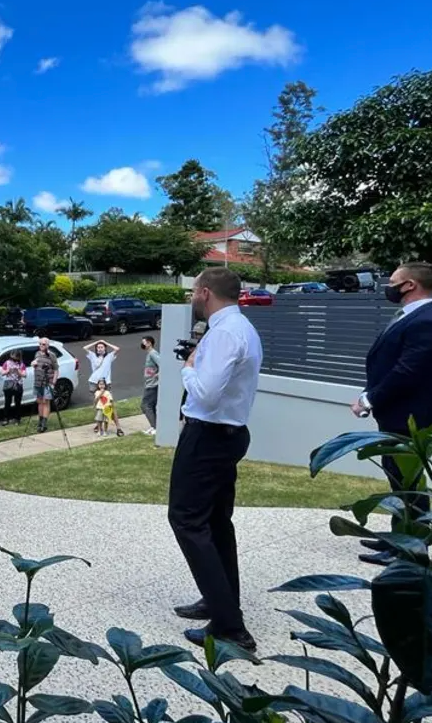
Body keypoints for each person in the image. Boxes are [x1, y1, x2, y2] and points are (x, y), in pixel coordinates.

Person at [168, 267, 262, 652]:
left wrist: (188, 370)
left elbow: (205, 395)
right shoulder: (243, 328)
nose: (192, 297)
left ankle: (228, 626)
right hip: (228, 436)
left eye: (193, 291)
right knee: (216, 523)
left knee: (187, 520)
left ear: (204, 293)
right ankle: (220, 600)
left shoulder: (223, 333)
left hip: (207, 438)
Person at [351, 262, 432, 566]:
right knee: (399, 479)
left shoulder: (430, 322)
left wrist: (368, 399)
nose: (389, 285)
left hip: (411, 416)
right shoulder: (415, 316)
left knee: (410, 482)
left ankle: (411, 548)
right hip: (398, 413)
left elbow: (407, 372)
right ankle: (401, 534)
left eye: (393, 281)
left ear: (409, 285)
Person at [31, 338, 58, 433]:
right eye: (40, 344)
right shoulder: (37, 354)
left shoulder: (52, 355)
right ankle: (40, 420)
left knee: (46, 402)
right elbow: (35, 365)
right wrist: (33, 365)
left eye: (44, 344)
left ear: (47, 345)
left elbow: (56, 370)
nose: (42, 345)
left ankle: (44, 424)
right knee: (39, 401)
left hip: (48, 382)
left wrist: (53, 383)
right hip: (38, 382)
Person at [0, 349, 26, 426]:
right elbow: (2, 372)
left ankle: (17, 419)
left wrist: (19, 371)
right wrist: (7, 371)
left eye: (15, 357)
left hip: (18, 385)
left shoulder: (21, 364)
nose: (13, 359)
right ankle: (5, 418)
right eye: (12, 357)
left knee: (17, 403)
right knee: (7, 402)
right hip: (9, 384)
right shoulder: (7, 363)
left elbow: (24, 375)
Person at [140, 336, 160, 435]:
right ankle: (154, 426)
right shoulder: (150, 354)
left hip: (153, 384)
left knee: (145, 405)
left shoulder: (153, 353)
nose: (142, 344)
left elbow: (162, 364)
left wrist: (157, 375)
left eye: (143, 342)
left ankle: (155, 427)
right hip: (149, 383)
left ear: (149, 343)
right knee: (150, 406)